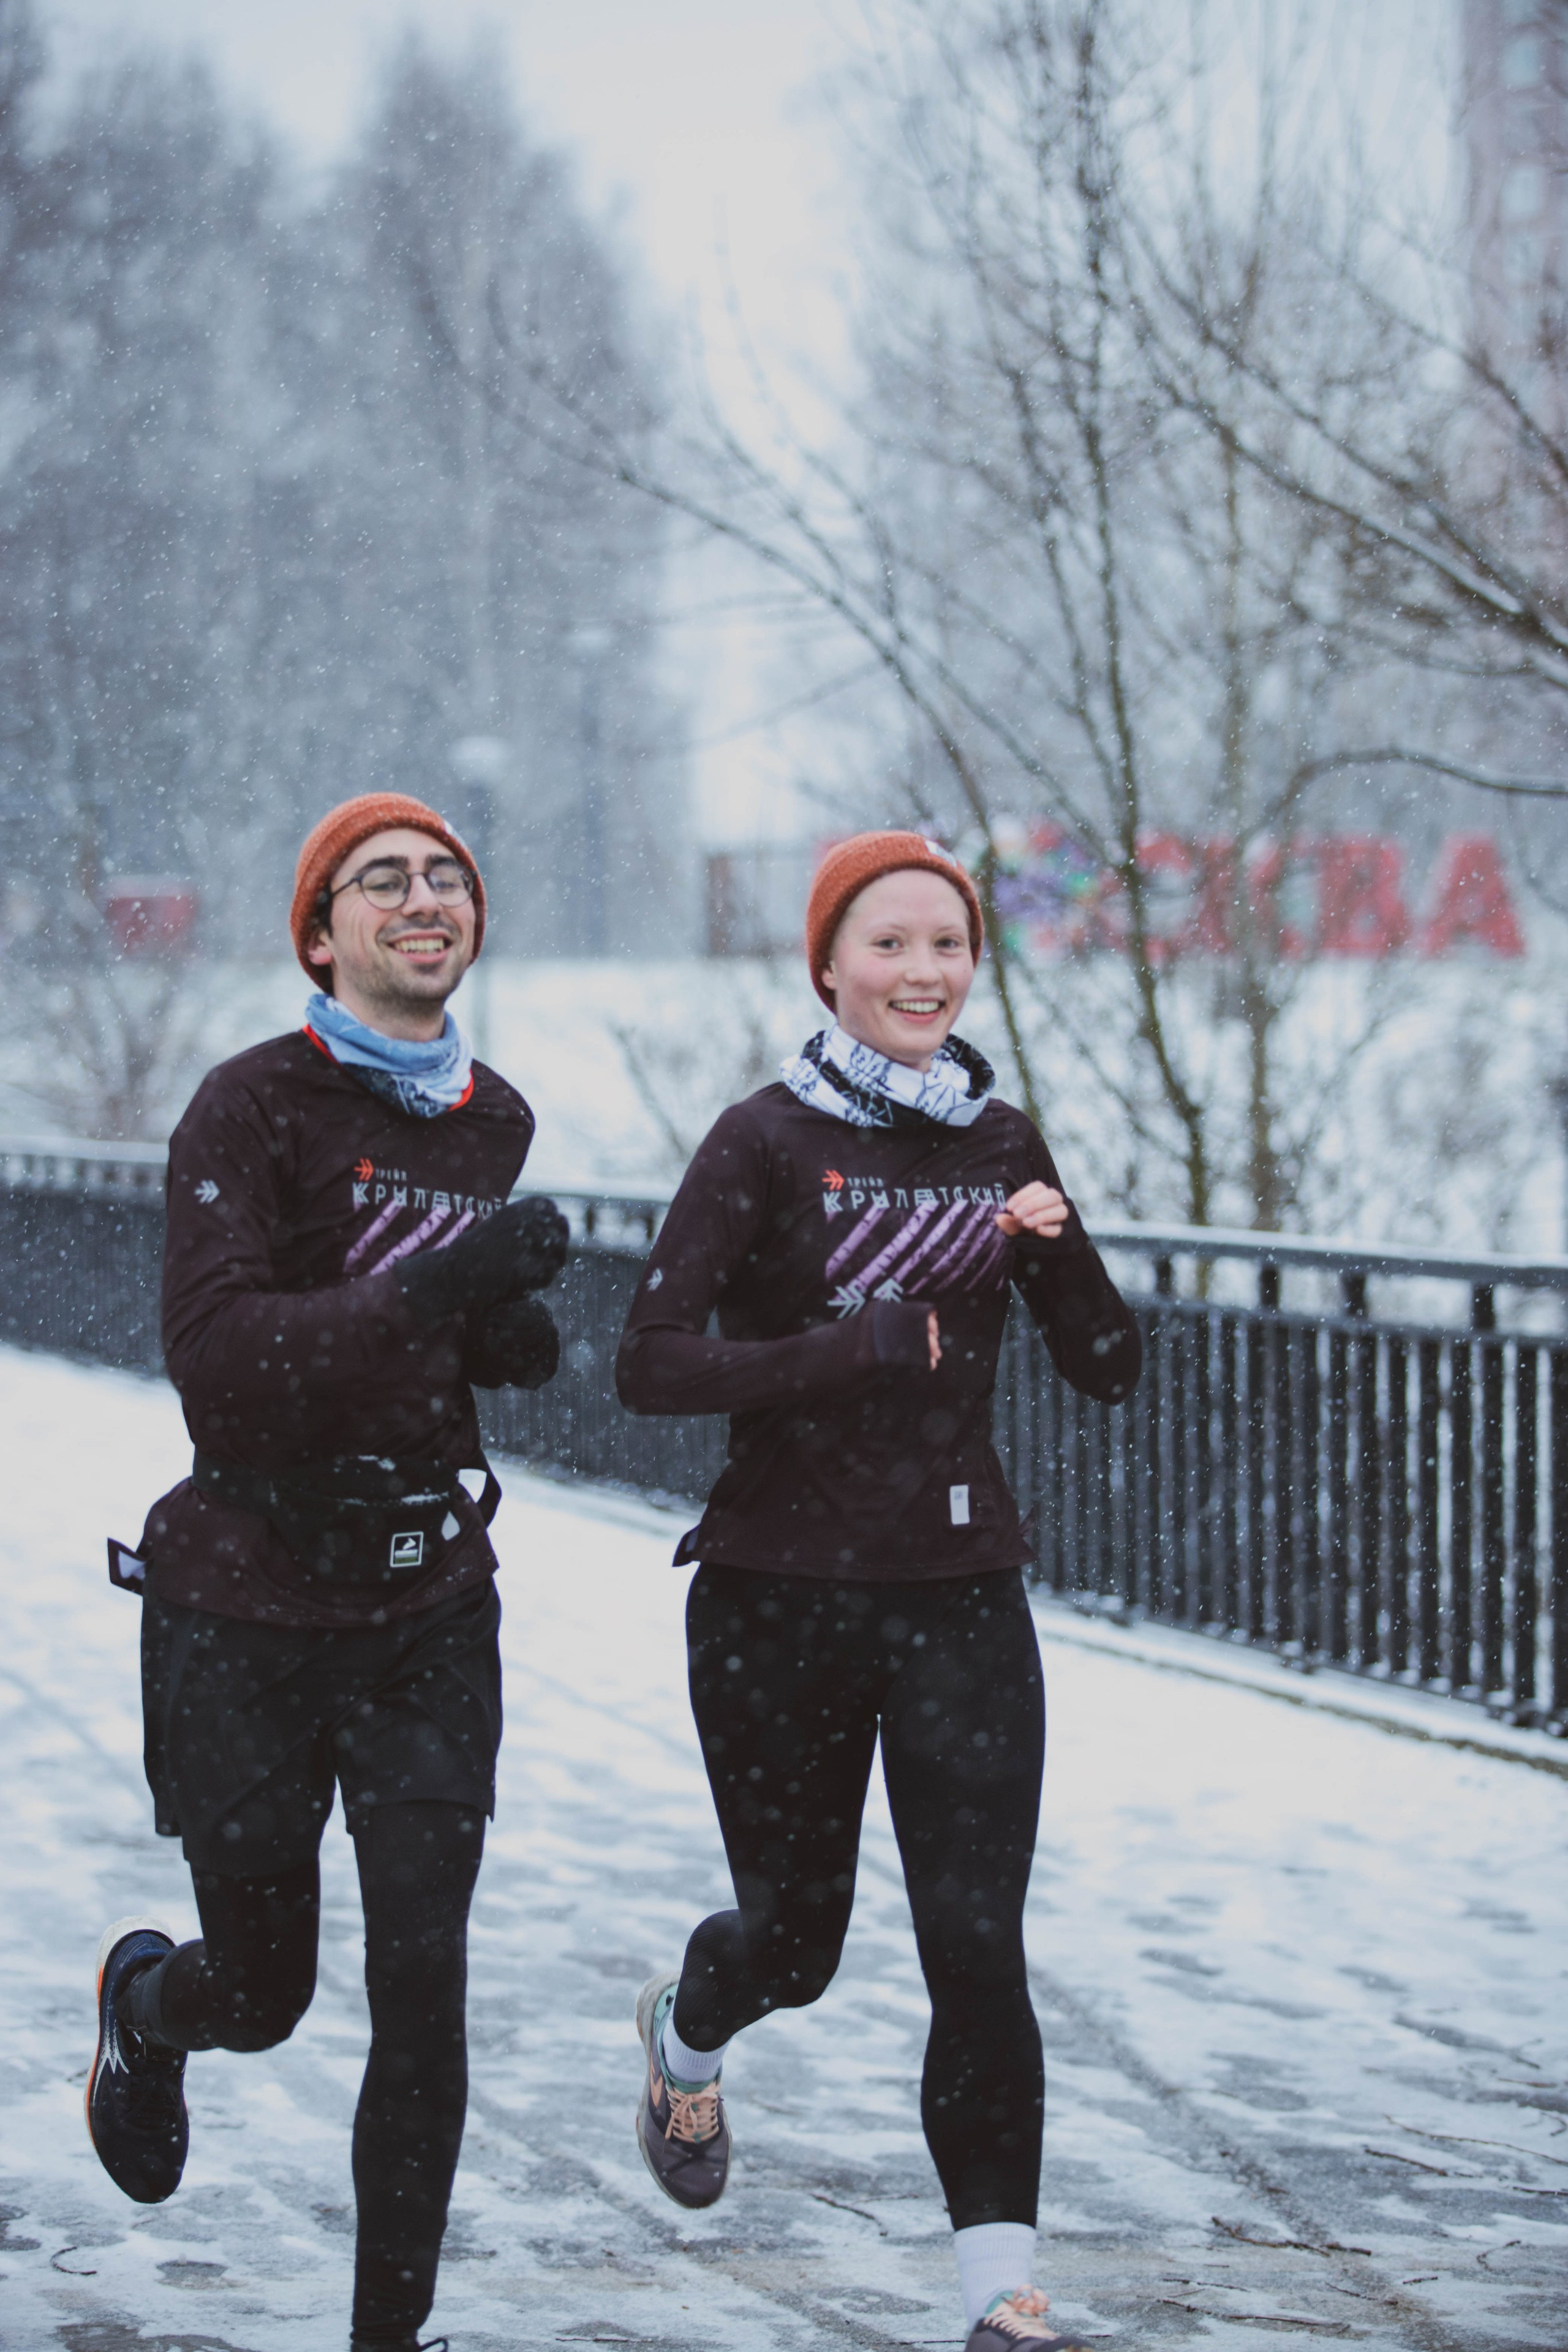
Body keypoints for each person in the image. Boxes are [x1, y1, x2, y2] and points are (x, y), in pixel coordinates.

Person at [616, 831, 1142, 2352]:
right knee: (798, 1945)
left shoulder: (1000, 1140)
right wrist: (844, 1347)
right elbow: (650, 1363)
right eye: (891, 947)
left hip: (960, 1591)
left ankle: (1003, 2297)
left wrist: (1058, 1243)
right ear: (829, 969)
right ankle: (688, 2026)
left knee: (975, 1944)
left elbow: (1105, 1370)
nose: (923, 974)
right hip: (775, 1594)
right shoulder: (762, 1142)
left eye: (947, 948)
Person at [86, 793, 570, 2352]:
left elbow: (430, 1339)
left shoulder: (491, 1117)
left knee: (423, 1980)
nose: (423, 899)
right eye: (383, 881)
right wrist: (443, 1285)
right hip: (248, 1597)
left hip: (427, 1600)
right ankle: (152, 2013)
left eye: (447, 879)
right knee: (268, 1988)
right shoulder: (246, 1110)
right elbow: (220, 1367)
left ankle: (389, 2336)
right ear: (321, 931)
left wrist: (506, 1328)